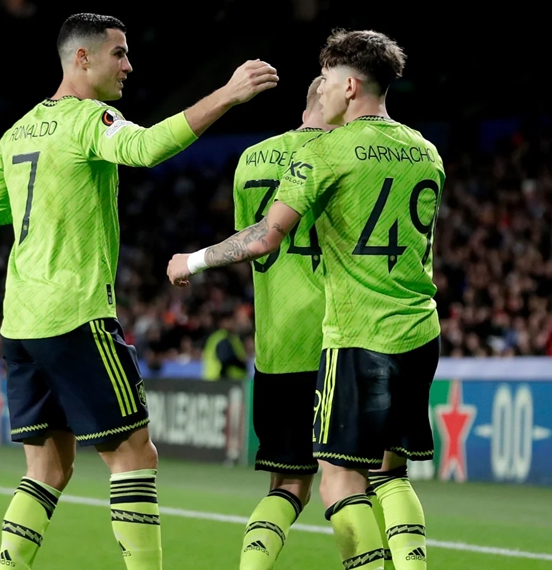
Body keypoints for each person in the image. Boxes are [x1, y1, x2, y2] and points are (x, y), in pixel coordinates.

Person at [0, 13, 278, 570]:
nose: (129, 65)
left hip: (20, 321)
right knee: (136, 456)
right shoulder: (91, 118)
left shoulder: (17, 131)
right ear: (82, 58)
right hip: (75, 313)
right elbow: (145, 147)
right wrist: (228, 95)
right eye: (118, 53)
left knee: (47, 470)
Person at [167, 29, 444, 570]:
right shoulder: (426, 151)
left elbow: (264, 236)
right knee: (392, 472)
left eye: (331, 76)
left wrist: (193, 260)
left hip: (348, 337)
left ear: (349, 84)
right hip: (418, 331)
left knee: (331, 479)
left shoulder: (319, 153)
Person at [230, 76, 334, 569]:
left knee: (288, 484)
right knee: (362, 480)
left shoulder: (250, 158)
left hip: (275, 345)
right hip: (338, 338)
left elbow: (248, 241)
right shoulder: (342, 156)